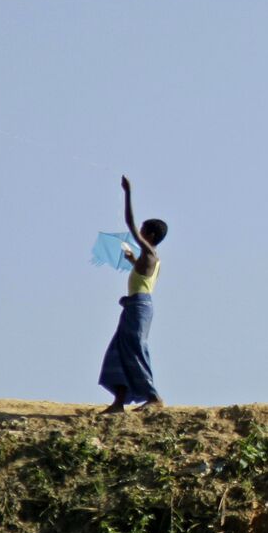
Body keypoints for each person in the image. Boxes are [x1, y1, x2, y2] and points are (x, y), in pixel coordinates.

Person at [99, 176, 168, 413]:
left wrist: (127, 192)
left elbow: (129, 222)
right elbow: (142, 274)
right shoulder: (148, 259)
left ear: (149, 235)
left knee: (135, 348)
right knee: (120, 348)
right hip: (136, 306)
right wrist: (131, 260)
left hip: (139, 306)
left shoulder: (150, 252)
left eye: (142, 231)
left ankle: (153, 397)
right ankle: (118, 402)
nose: (139, 232)